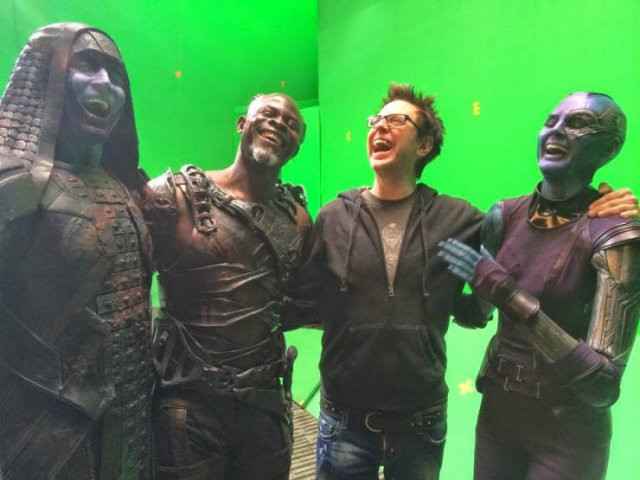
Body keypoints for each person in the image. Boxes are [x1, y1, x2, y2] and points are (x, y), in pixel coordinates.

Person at [294, 83, 638, 480]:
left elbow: (598, 382)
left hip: (445, 422)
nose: (380, 127)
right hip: (367, 419)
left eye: (396, 120)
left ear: (424, 145)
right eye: (376, 120)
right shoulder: (336, 215)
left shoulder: (463, 219)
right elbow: (306, 299)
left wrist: (611, 202)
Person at [440, 92, 640, 479]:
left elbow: (601, 384)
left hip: (569, 430)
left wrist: (506, 293)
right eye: (550, 122)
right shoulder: (504, 215)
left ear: (610, 148)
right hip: (498, 413)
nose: (557, 131)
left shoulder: (615, 235)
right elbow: (477, 313)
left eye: (578, 123)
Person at [0, 23, 154, 479]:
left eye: (116, 75)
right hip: (45, 430)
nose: (105, 83)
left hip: (131, 420)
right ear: (46, 75)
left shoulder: (126, 188)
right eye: (87, 65)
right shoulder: (15, 187)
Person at [143, 93, 311, 479]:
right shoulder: (174, 197)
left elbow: (297, 302)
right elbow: (126, 294)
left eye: (290, 124)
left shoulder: (298, 219)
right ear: (242, 124)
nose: (278, 123)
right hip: (189, 406)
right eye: (268, 113)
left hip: (265, 407)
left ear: (297, 146)